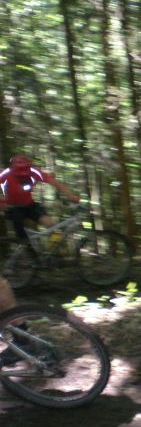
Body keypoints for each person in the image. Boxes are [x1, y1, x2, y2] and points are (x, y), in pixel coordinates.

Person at [0, 155, 79, 366]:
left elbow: (54, 182)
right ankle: (31, 258)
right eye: (19, 175)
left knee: (52, 225)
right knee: (23, 240)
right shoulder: (5, 175)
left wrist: (70, 195)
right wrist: (2, 203)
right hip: (13, 209)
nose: (23, 177)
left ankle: (49, 253)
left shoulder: (35, 172)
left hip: (30, 205)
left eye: (25, 175)